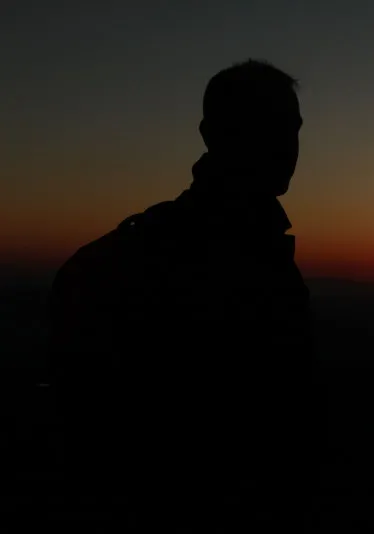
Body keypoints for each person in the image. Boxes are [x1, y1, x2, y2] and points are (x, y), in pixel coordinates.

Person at [47, 59, 314, 530]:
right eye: (262, 126)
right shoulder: (141, 260)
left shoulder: (260, 252)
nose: (285, 146)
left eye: (290, 128)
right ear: (213, 134)